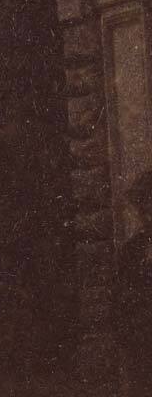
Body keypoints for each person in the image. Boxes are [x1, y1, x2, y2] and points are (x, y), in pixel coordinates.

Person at [117, 170, 152, 397]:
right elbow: (122, 305)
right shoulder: (131, 251)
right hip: (142, 347)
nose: (147, 216)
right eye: (143, 209)